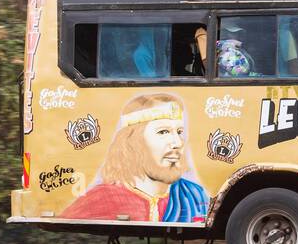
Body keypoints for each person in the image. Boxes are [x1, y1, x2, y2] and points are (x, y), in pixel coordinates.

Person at [60, 93, 209, 223]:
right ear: (133, 142)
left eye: (179, 131)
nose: (177, 143)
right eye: (163, 132)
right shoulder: (100, 199)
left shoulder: (193, 194)